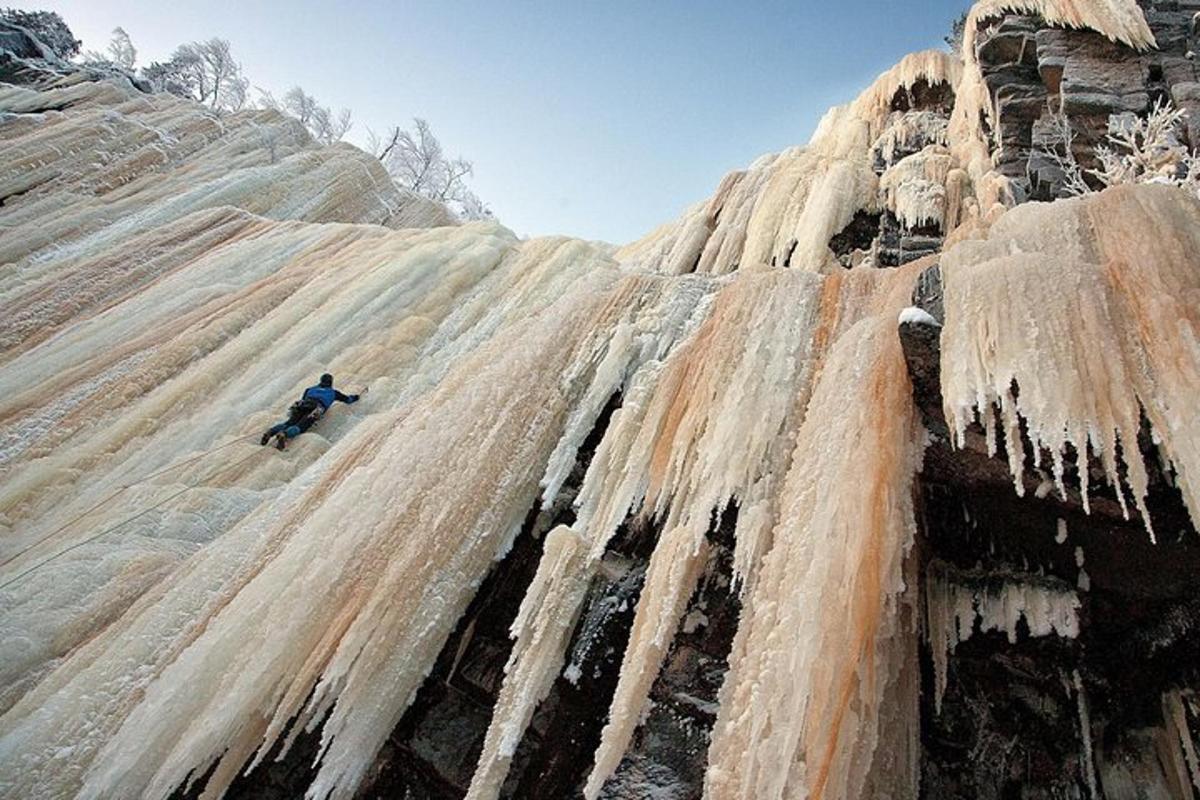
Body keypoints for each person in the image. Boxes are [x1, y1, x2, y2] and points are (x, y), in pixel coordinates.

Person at [261, 373, 361, 450]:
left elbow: (304, 398)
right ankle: (285, 435)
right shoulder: (334, 393)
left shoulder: (310, 389)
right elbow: (348, 400)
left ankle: (271, 431)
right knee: (300, 426)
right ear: (331, 382)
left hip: (302, 405)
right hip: (316, 407)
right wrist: (357, 397)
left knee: (289, 422)